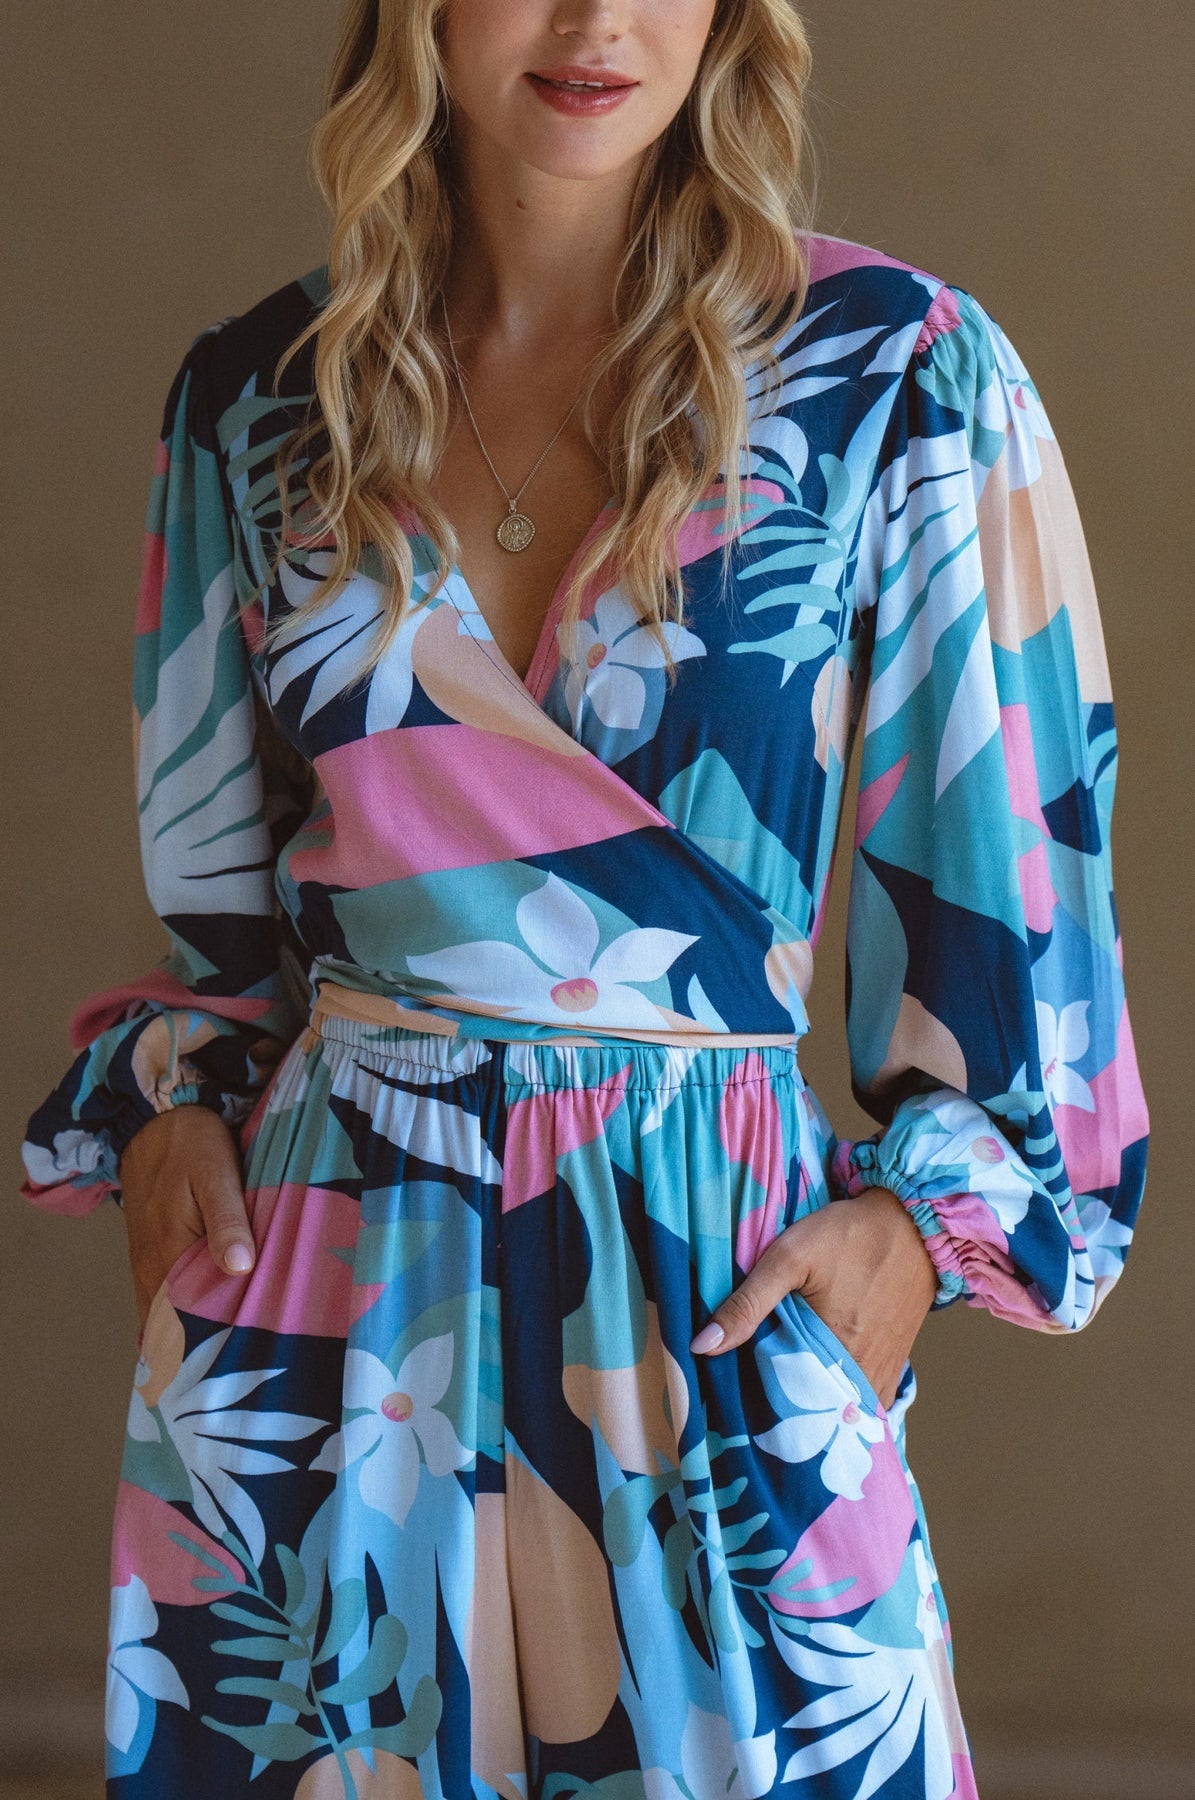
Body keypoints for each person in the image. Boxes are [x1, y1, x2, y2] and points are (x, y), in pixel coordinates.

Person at [20, 1, 1149, 1795]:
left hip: (711, 1311)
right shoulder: (256, 401)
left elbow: (1022, 903)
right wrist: (174, 1115)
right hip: (328, 1335)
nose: (597, 20)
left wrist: (912, 1236)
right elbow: (221, 927)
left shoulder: (894, 372)